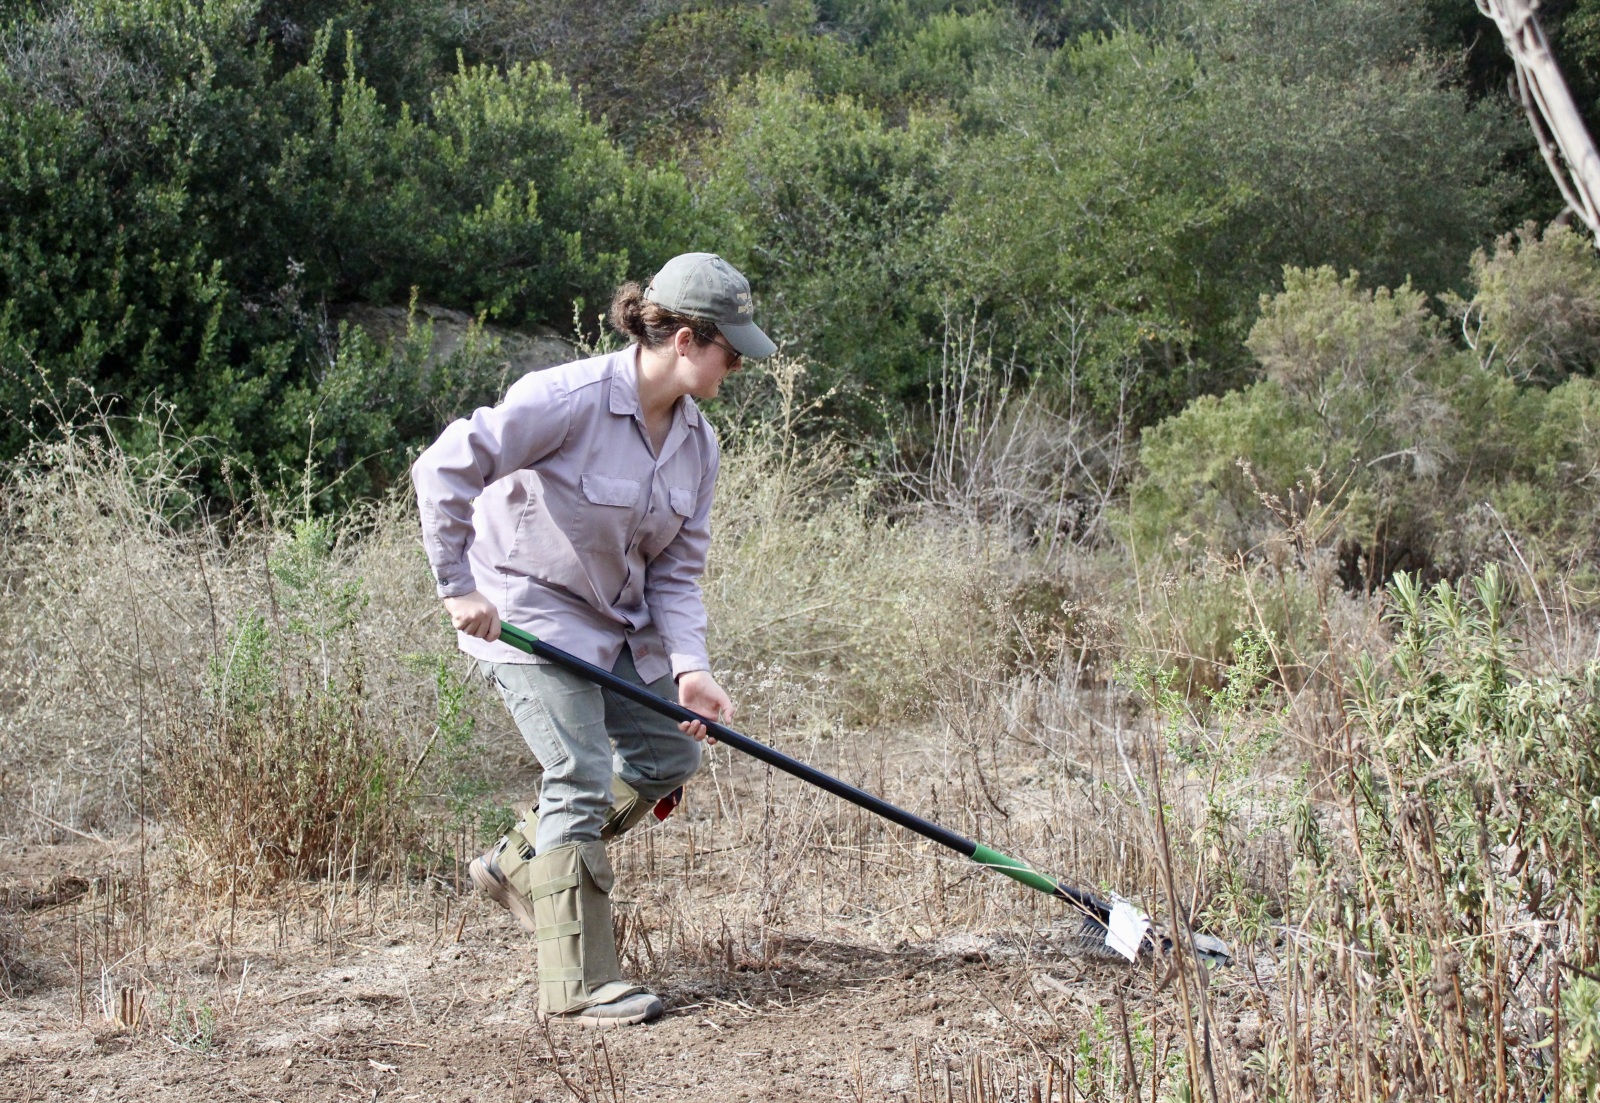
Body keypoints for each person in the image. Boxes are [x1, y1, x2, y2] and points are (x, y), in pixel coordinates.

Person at [410, 253, 776, 1027]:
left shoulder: (699, 444)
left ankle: (519, 862)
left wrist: (691, 666)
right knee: (576, 772)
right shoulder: (565, 398)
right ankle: (578, 984)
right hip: (528, 613)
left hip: (614, 624)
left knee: (668, 754)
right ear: (685, 339)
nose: (738, 364)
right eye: (730, 348)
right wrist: (458, 587)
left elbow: (677, 570)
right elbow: (443, 468)